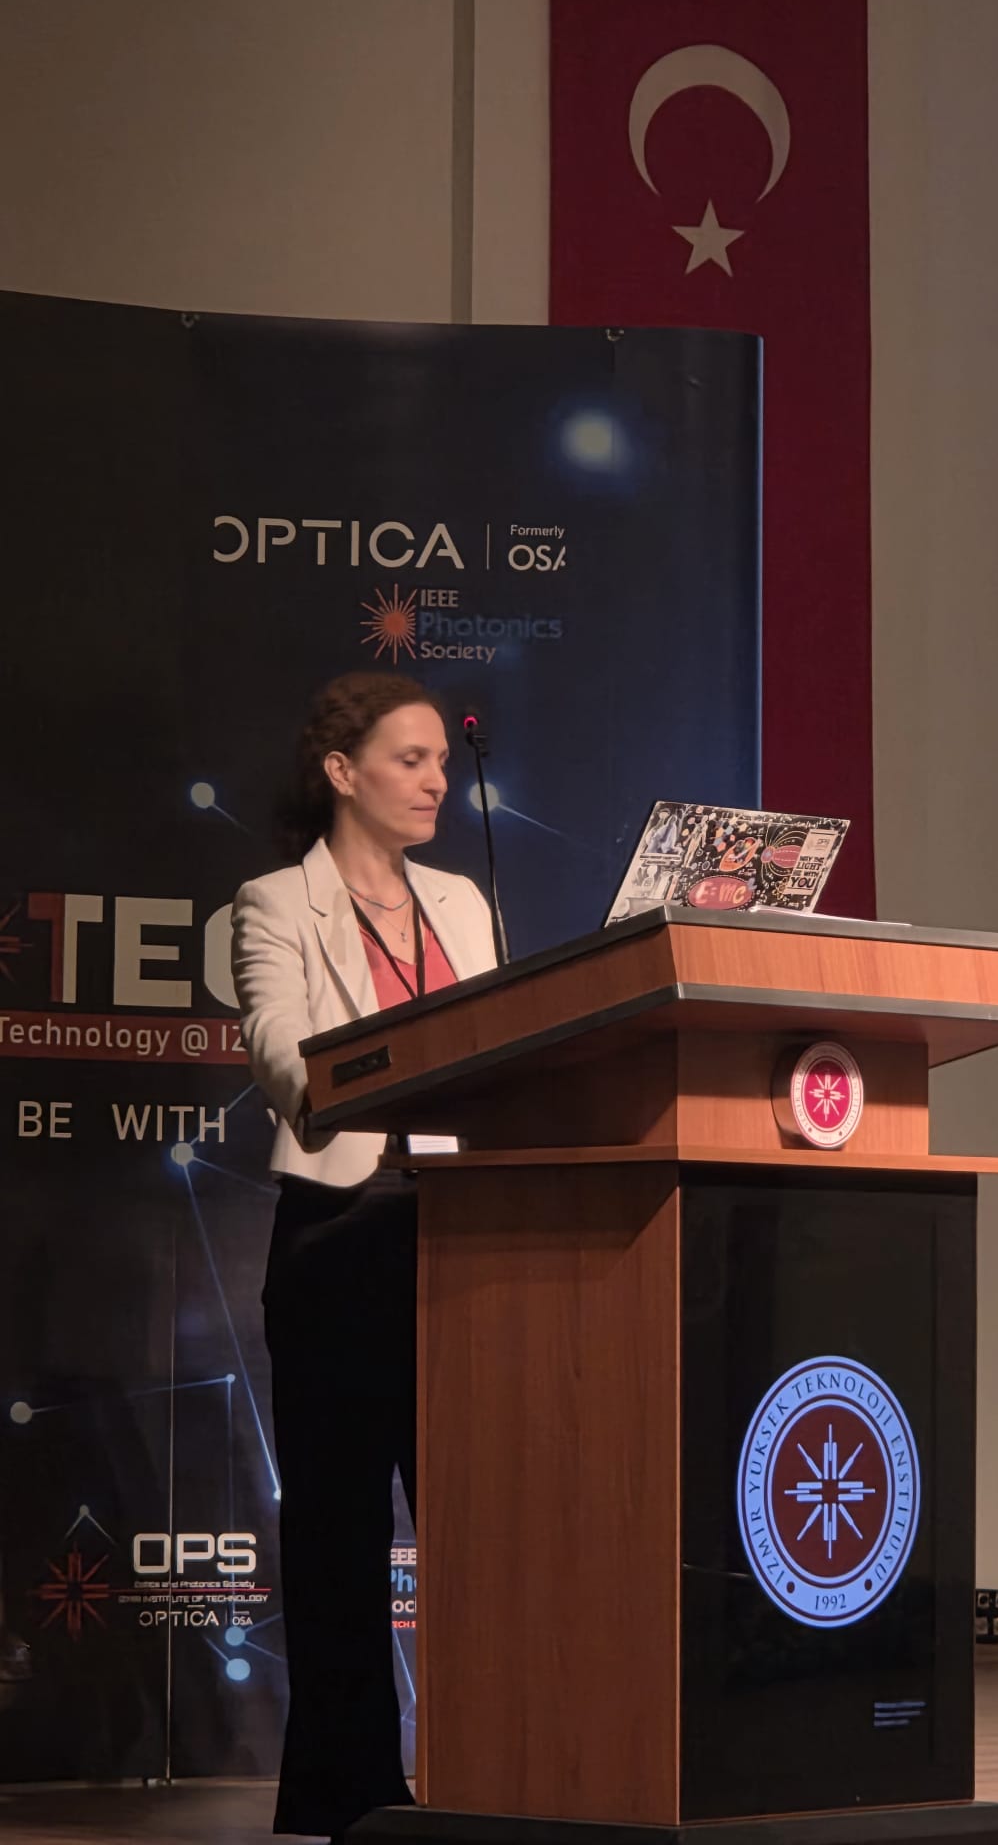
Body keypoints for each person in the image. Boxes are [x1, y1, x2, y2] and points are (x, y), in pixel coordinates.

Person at [232, 672, 497, 1841]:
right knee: (340, 1532)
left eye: (442, 758)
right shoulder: (274, 901)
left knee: (480, 1516)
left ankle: (496, 1762)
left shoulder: (464, 903)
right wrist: (408, 1066)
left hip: (464, 1229)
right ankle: (350, 1793)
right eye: (411, 758)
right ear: (342, 772)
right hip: (341, 1237)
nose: (438, 780)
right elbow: (285, 1059)